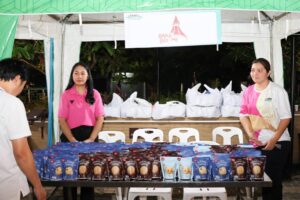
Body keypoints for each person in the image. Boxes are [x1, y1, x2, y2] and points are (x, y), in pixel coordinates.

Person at [240, 58, 291, 200]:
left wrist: (274, 139)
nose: (255, 73)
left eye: (259, 70)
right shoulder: (248, 91)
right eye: (252, 70)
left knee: (273, 183)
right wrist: (250, 134)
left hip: (278, 142)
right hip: (258, 143)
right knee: (262, 182)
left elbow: (286, 117)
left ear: (268, 73)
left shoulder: (277, 91)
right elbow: (243, 115)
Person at [0, 58, 46, 200]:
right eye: (23, 86)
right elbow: (21, 153)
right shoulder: (12, 103)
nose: (21, 91)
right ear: (18, 79)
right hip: (8, 186)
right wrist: (37, 186)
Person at [58, 62, 104, 200]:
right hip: (69, 138)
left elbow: (100, 118)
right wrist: (72, 139)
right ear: (72, 76)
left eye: (83, 73)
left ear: (88, 76)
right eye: (76, 73)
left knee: (87, 177)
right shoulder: (66, 95)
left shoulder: (95, 94)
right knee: (69, 176)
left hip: (90, 138)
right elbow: (61, 119)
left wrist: (91, 139)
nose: (79, 76)